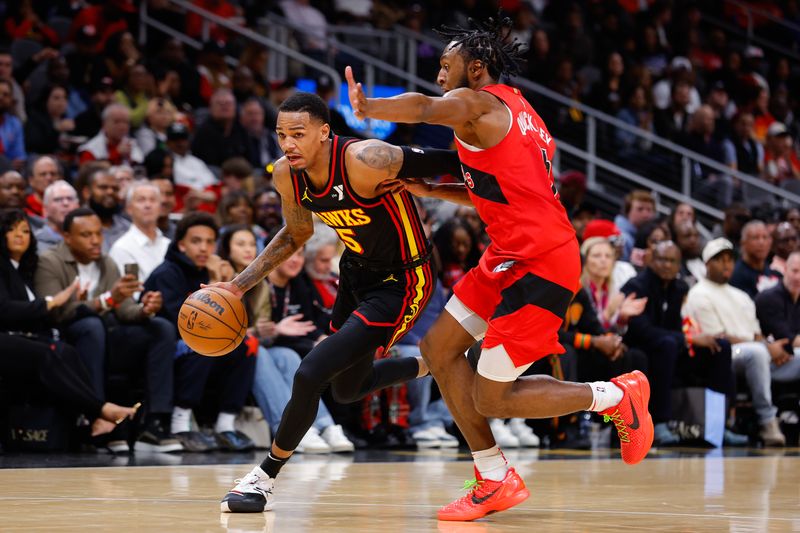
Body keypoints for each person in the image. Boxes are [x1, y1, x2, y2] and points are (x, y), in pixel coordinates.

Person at [344, 15, 653, 521]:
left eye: (448, 67)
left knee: (493, 398)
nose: (441, 77)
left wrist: (368, 108)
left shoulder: (477, 102)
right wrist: (432, 189)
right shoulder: (518, 110)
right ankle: (494, 477)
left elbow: (423, 108)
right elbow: (501, 192)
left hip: (542, 262)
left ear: (478, 68)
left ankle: (615, 394)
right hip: (505, 255)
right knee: (438, 349)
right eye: (439, 68)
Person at [215, 91, 461, 512]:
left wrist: (503, 173)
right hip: (355, 274)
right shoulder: (286, 175)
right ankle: (435, 363)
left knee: (310, 372)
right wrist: (237, 286)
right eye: (281, 135)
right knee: (349, 389)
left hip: (402, 280)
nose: (288, 144)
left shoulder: (366, 159)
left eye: (298, 134)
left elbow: (452, 161)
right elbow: (296, 234)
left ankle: (262, 479)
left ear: (325, 132)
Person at [35, 207, 181, 453]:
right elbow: (53, 312)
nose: (95, 241)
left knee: (161, 328)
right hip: (66, 338)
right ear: (67, 237)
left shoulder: (107, 262)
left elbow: (124, 310)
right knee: (91, 327)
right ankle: (97, 417)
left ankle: (155, 423)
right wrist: (106, 301)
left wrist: (145, 309)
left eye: (98, 234)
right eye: (86, 235)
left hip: (106, 336)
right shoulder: (49, 262)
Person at [0, 209, 137, 441]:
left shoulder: (24, 269)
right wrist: (51, 302)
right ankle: (100, 410)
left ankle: (89, 421)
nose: (19, 235)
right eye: (11, 230)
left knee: (66, 351)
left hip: (21, 337)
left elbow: (34, 315)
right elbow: (3, 310)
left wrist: (74, 303)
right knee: (50, 353)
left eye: (25, 230)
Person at [144, 212, 257, 453]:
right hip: (164, 344)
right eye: (196, 241)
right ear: (181, 244)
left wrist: (220, 279)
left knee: (247, 346)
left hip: (195, 341)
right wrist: (216, 278)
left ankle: (225, 424)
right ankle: (179, 423)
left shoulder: (209, 270)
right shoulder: (167, 273)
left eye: (209, 242)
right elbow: (184, 323)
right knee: (201, 341)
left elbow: (235, 319)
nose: (204, 248)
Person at [684, 238, 786, 446]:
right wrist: (766, 347)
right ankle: (767, 421)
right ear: (707, 263)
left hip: (755, 350)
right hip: (724, 354)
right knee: (756, 353)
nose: (727, 264)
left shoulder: (741, 296)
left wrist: (769, 346)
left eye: (730, 260)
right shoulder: (699, 293)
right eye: (720, 259)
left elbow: (757, 333)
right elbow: (718, 337)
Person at [109, 181, 170, 282]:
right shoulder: (122, 248)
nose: (148, 205)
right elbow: (130, 293)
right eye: (141, 200)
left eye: (153, 200)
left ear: (160, 207)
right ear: (129, 208)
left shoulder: (169, 244)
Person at [34, 180, 79, 252]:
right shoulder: (34, 243)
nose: (65, 203)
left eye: (70, 199)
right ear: (45, 209)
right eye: (58, 199)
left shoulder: (89, 241)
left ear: (78, 206)